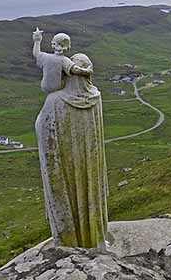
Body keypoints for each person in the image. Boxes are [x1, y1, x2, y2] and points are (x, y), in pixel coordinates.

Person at [32, 28, 108, 249]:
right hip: (89, 167)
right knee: (90, 196)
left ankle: (70, 240)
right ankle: (95, 239)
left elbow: (42, 128)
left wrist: (37, 40)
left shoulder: (55, 101)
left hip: (65, 167)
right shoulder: (96, 98)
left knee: (67, 197)